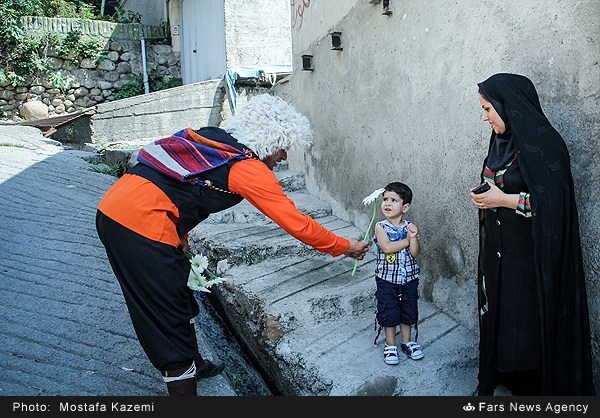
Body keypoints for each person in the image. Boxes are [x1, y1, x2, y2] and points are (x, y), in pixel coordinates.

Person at [95, 94, 369, 396]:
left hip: (124, 210)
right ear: (269, 139)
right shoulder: (246, 167)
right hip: (137, 226)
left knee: (177, 292)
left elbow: (176, 187)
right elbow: (297, 224)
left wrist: (180, 239)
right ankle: (182, 381)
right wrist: (346, 246)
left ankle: (195, 363)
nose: (284, 157)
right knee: (164, 312)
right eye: (283, 147)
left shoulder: (217, 143)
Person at [470, 73, 595, 396]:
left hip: (533, 257)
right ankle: (507, 376)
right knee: (503, 315)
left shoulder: (545, 145)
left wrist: (503, 200)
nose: (484, 117)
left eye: (487, 109)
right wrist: (485, 194)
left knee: (527, 321)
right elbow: (498, 179)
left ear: (507, 107)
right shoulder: (500, 142)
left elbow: (554, 205)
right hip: (500, 253)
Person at [373, 182, 423, 365]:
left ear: (405, 207)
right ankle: (390, 344)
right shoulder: (381, 227)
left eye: (394, 200)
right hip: (387, 279)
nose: (387, 203)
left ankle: (408, 342)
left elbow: (415, 253)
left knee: (408, 309)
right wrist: (408, 240)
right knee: (389, 310)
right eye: (385, 199)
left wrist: (414, 238)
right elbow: (386, 248)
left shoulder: (410, 226)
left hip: (409, 278)